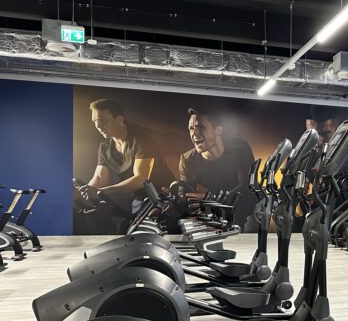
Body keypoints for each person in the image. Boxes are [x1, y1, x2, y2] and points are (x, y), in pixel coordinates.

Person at [77, 98, 174, 232]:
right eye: (95, 121)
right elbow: (99, 178)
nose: (98, 126)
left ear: (120, 120)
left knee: (137, 231)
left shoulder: (142, 140)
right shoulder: (105, 146)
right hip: (139, 200)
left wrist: (100, 192)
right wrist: (83, 191)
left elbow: (141, 179)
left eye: (103, 120)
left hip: (163, 198)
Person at [179, 107, 255, 229]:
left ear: (218, 130)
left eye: (201, 127)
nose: (194, 134)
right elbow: (186, 197)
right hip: (209, 218)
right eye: (191, 128)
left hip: (242, 213)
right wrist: (174, 203)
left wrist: (211, 198)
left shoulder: (240, 149)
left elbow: (247, 189)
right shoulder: (187, 159)